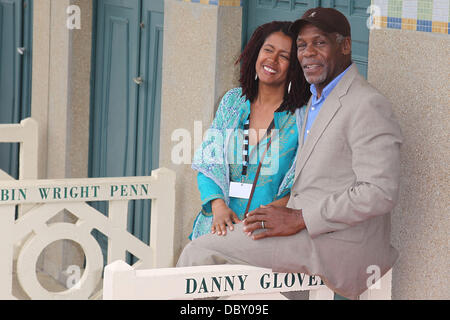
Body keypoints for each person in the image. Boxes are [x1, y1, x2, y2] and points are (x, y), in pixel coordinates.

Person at [178, 8, 402, 300]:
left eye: (319, 43)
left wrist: (299, 217)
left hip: (330, 241)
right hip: (295, 230)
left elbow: (381, 192)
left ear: (345, 45)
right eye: (302, 46)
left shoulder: (366, 104)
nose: (308, 52)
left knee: (201, 252)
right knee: (215, 258)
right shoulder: (316, 100)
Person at [189, 21, 310, 240]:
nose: (272, 60)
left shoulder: (302, 117)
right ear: (256, 53)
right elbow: (209, 161)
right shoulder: (233, 101)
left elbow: (302, 183)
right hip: (217, 229)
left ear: (294, 67)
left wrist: (263, 219)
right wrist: (217, 206)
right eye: (268, 50)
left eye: (284, 56)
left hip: (265, 236)